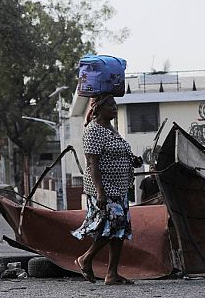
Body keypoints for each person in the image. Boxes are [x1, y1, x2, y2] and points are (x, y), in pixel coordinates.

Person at [72, 94, 142, 285]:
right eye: (110, 105)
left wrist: (133, 160)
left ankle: (112, 274)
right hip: (103, 189)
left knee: (119, 230)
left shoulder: (110, 128)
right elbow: (93, 164)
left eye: (114, 104)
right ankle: (85, 259)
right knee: (109, 227)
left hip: (119, 189)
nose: (114, 108)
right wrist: (100, 191)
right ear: (98, 108)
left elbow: (117, 152)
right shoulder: (93, 131)